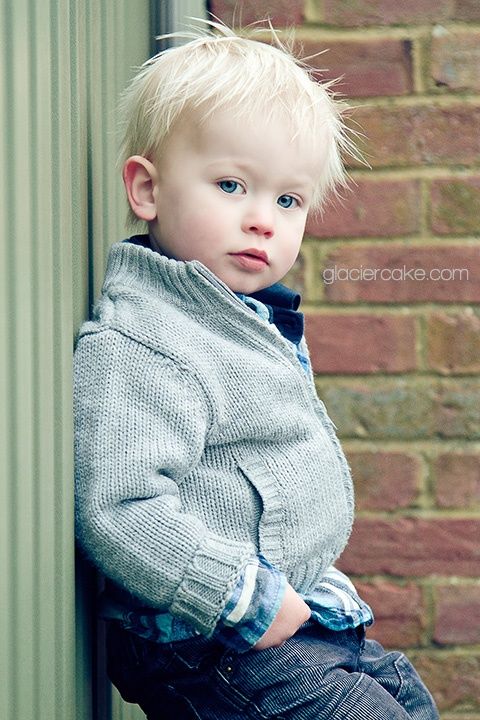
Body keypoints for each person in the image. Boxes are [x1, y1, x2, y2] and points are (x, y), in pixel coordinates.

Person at [74, 21, 439, 720]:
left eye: (287, 200)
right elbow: (120, 509)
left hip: (283, 616)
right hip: (210, 638)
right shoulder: (148, 339)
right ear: (147, 190)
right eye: (232, 184)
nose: (262, 220)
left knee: (407, 703)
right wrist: (240, 595)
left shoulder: (237, 317)